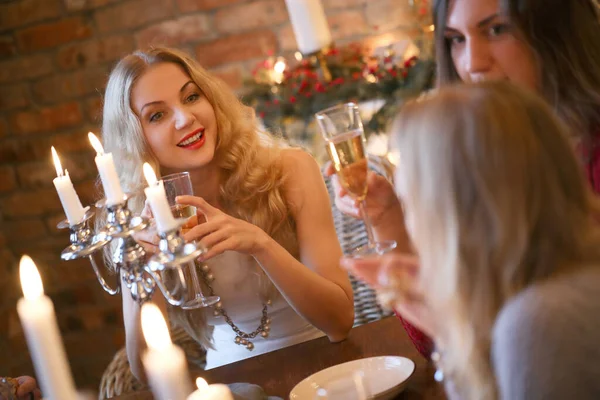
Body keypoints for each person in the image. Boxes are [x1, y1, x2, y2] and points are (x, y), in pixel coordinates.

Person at [326, 0, 600, 358]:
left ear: (559, 31)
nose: (472, 63)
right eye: (456, 39)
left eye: (497, 30)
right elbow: (438, 344)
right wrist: (387, 219)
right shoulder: (484, 155)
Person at [100, 47, 354, 381]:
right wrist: (140, 270)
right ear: (135, 140)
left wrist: (261, 245)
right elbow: (146, 373)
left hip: (326, 362)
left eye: (191, 97)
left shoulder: (290, 170)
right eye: (157, 115)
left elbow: (339, 322)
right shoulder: (139, 224)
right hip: (229, 382)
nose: (185, 118)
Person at [348, 81, 600, 399]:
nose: (412, 223)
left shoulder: (537, 321)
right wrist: (448, 331)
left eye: (410, 202)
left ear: (456, 212)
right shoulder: (556, 274)